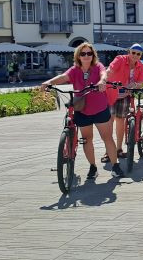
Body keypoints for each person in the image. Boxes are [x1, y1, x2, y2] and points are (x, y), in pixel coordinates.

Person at [40, 42, 124, 179]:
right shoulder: (75, 70)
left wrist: (102, 82)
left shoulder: (97, 67)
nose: (86, 56)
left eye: (89, 53)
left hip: (99, 108)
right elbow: (63, 77)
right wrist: (49, 82)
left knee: (107, 138)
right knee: (86, 139)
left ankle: (115, 165)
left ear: (93, 55)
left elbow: (104, 74)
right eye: (83, 53)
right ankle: (93, 167)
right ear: (78, 56)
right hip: (82, 109)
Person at [105, 44, 143, 162]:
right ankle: (108, 151)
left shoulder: (141, 66)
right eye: (133, 53)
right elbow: (110, 69)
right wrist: (103, 79)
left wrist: (133, 85)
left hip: (125, 95)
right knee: (109, 122)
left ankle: (118, 149)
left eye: (138, 54)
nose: (135, 56)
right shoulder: (120, 59)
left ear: (141, 55)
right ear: (129, 52)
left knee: (120, 122)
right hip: (111, 93)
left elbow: (140, 82)